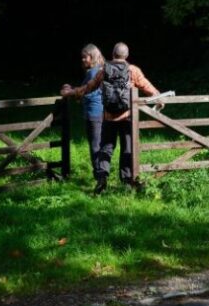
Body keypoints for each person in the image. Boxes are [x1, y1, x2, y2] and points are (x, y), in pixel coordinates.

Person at [61, 42, 160, 194]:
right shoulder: (133, 70)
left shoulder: (104, 70)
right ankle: (127, 182)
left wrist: (72, 92)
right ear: (126, 56)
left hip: (108, 117)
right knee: (127, 149)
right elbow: (147, 86)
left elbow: (88, 88)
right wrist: (158, 97)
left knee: (106, 148)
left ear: (113, 54)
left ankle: (101, 179)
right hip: (127, 118)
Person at [78, 44, 105, 179]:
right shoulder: (100, 69)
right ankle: (102, 175)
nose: (83, 60)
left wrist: (76, 94)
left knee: (95, 146)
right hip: (100, 112)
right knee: (99, 144)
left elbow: (87, 92)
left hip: (93, 113)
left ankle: (100, 178)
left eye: (85, 57)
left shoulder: (93, 72)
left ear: (92, 57)